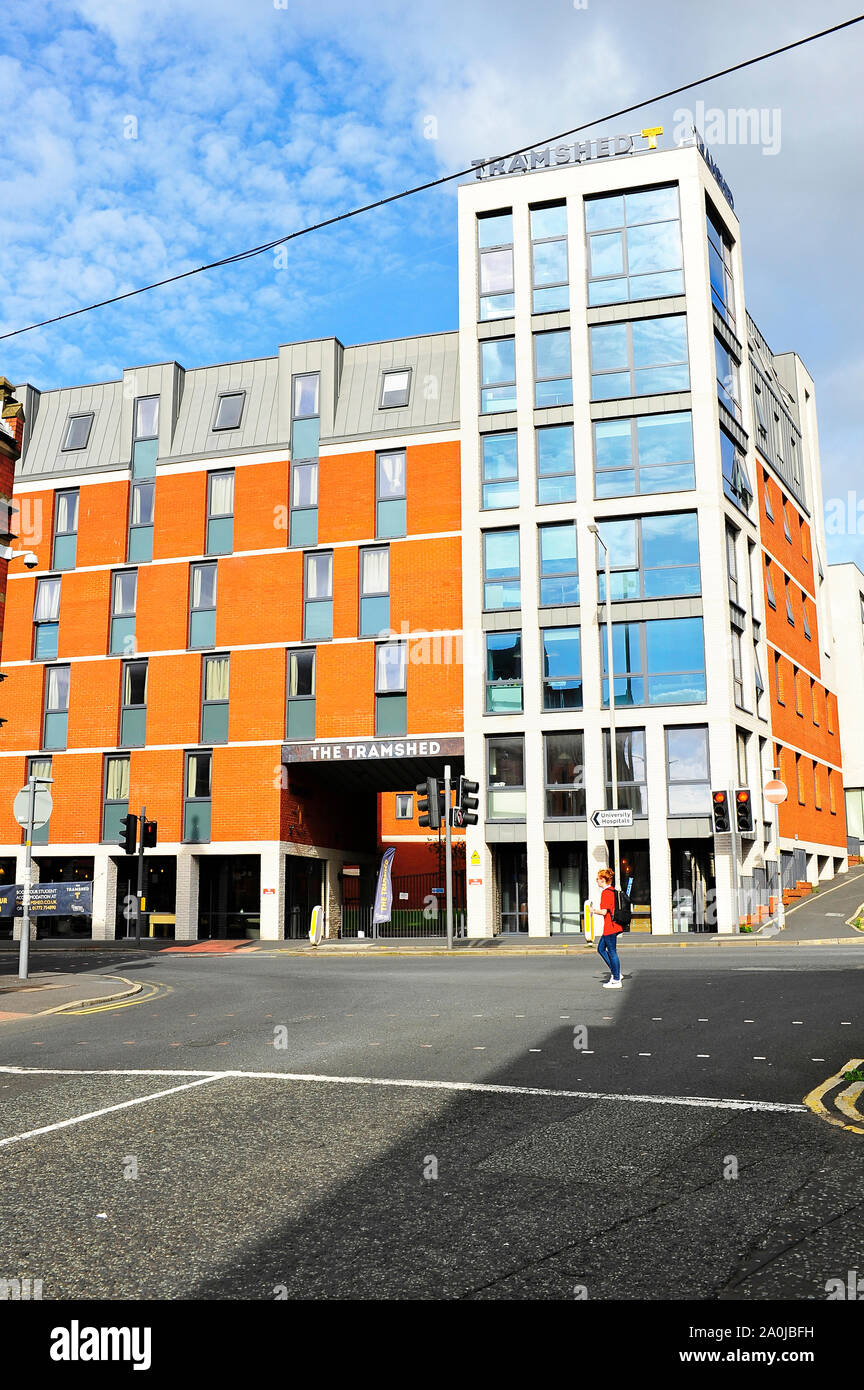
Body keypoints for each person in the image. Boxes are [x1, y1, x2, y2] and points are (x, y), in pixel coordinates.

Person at [594, 866, 623, 988]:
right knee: (600, 949)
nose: (597, 881)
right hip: (613, 926)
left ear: (603, 880)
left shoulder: (606, 893)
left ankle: (616, 979)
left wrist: (593, 910)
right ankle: (616, 972)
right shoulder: (612, 890)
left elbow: (604, 912)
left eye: (598, 879)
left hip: (609, 927)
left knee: (612, 952)